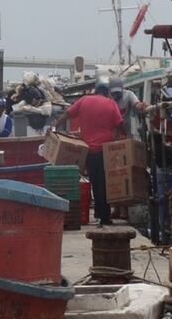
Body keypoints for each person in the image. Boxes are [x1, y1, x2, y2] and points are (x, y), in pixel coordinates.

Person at [52, 83, 122, 226]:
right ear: (106, 92)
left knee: (95, 182)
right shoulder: (111, 103)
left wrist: (54, 127)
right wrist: (117, 139)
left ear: (95, 92)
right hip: (105, 149)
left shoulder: (84, 100)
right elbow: (119, 125)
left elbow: (67, 114)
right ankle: (104, 216)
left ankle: (98, 212)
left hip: (88, 150)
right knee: (104, 184)